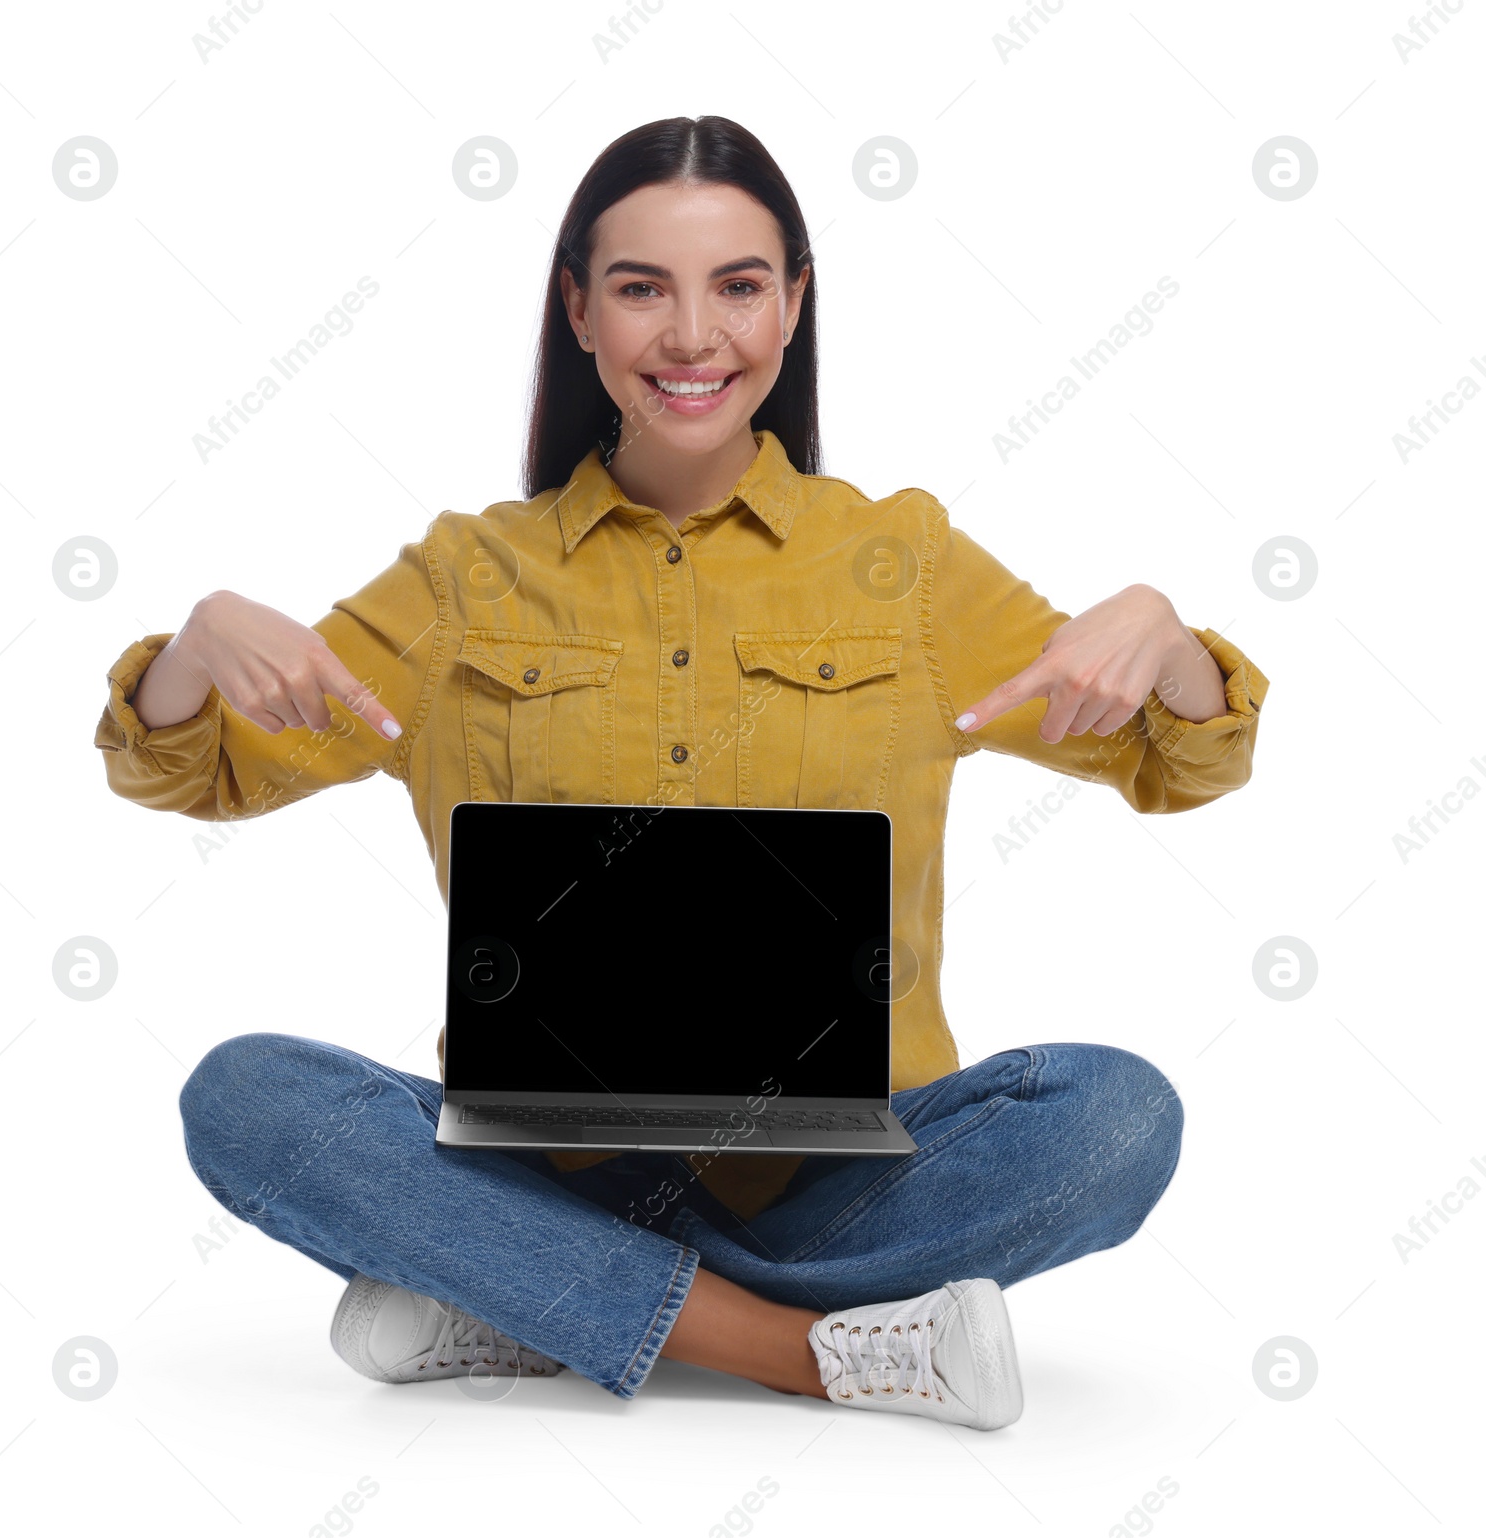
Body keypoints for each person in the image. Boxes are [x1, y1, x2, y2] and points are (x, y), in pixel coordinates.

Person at [94, 115, 1268, 1427]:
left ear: (794, 306)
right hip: (549, 1162)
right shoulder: (465, 580)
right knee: (250, 1097)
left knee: (1117, 1115)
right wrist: (192, 646)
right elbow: (195, 773)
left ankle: (527, 1300)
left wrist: (1164, 634)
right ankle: (802, 1346)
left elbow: (1183, 759)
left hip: (851, 1174)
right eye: (643, 287)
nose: (694, 335)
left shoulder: (911, 564)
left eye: (740, 287)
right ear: (580, 311)